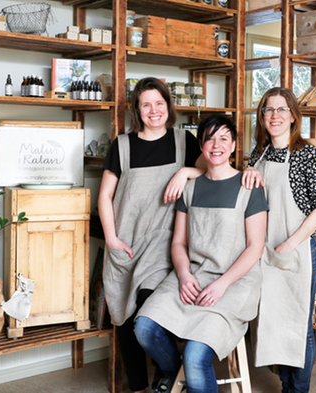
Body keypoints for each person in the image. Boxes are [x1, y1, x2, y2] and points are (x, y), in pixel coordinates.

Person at [134, 115, 268, 393]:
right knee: (144, 327)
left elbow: (255, 247)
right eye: (209, 138)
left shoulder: (250, 187)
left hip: (234, 282)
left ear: (233, 146)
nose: (216, 145)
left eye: (223, 139)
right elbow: (179, 244)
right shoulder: (190, 188)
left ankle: (184, 369)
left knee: (196, 357)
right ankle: (171, 371)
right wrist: (183, 276)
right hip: (192, 274)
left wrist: (221, 284)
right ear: (202, 146)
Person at [98, 77, 205, 393]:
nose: (154, 110)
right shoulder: (122, 145)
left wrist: (186, 171)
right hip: (125, 242)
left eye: (159, 103)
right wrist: (112, 239)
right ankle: (139, 387)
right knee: (123, 317)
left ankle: (167, 374)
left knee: (150, 309)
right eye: (146, 104)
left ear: (168, 107)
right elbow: (105, 196)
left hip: (163, 242)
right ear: (137, 110)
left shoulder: (184, 141)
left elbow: (213, 169)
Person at [243, 87, 316, 393]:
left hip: (297, 251)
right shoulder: (258, 154)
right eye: (269, 110)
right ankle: (285, 384)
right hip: (264, 251)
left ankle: (297, 390)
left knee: (298, 325)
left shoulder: (306, 154)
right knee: (273, 320)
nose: (275, 116)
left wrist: (291, 243)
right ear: (262, 116)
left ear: (293, 116)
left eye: (282, 110)